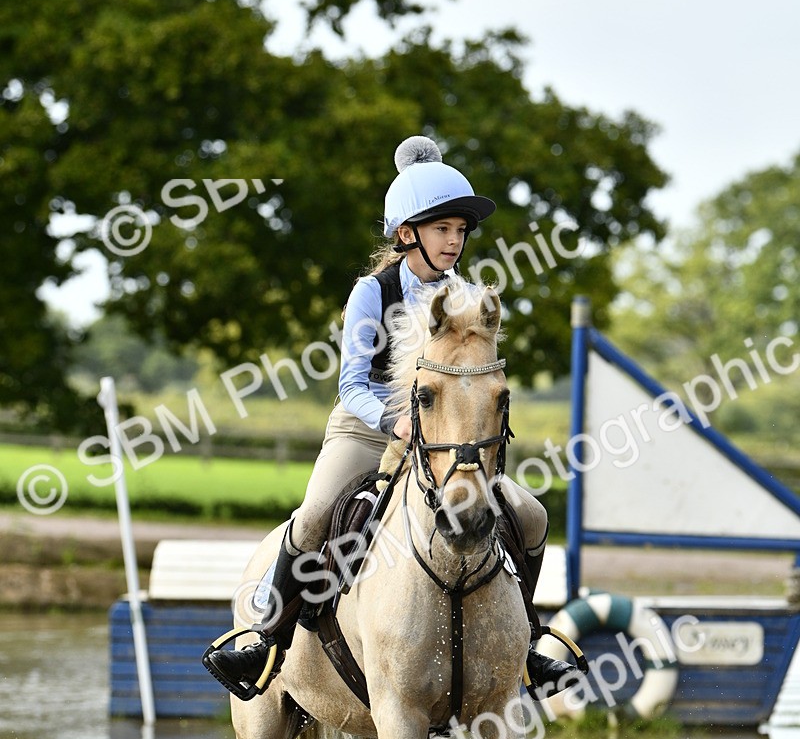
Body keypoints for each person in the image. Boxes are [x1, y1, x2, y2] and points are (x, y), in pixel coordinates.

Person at [204, 135, 579, 700]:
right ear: (408, 234)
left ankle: (524, 643)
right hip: (367, 425)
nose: (455, 242)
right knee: (312, 518)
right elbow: (350, 383)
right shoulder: (370, 294)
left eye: (460, 231)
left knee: (529, 516)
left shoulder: (469, 299)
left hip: (448, 439)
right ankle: (265, 642)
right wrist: (395, 420)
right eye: (442, 230)